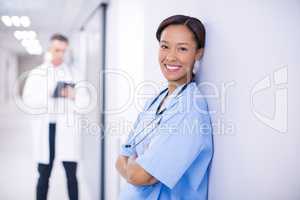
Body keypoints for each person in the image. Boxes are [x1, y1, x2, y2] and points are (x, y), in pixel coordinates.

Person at [116, 15, 213, 200]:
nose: (170, 57)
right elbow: (120, 159)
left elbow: (142, 175)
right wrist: (133, 166)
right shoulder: (155, 101)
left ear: (198, 53)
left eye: (182, 49)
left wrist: (133, 166)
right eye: (164, 46)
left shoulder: (190, 108)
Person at [23, 34, 87, 200]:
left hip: (67, 130)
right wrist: (50, 93)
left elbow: (85, 102)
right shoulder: (37, 74)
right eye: (57, 50)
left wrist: (73, 96)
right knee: (44, 175)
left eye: (63, 51)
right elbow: (28, 101)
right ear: (50, 50)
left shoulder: (75, 74)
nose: (60, 54)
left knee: (71, 176)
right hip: (46, 129)